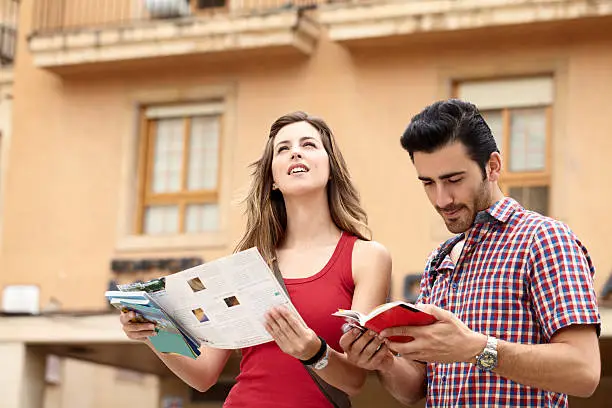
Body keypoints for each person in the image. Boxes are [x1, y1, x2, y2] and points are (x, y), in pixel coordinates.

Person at [340, 99, 601, 407]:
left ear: (492, 166)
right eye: (428, 183)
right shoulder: (439, 260)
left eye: (454, 180)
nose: (442, 199)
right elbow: (417, 387)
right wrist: (383, 361)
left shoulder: (544, 239)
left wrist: (476, 348)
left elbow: (584, 371)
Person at [120, 111, 391, 407]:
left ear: (330, 169)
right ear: (273, 179)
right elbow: (204, 374)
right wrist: (156, 333)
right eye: (283, 149)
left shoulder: (367, 258)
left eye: (309, 145)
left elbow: (355, 380)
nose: (295, 152)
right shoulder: (247, 263)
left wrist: (314, 350)